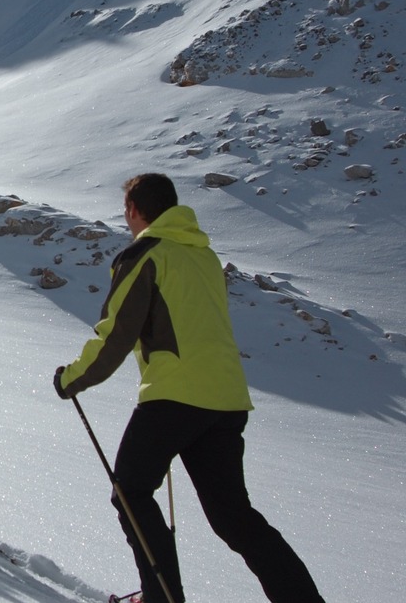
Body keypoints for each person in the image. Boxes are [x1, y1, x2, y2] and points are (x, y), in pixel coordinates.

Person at [53, 173, 325, 603]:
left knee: (131, 491)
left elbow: (116, 334)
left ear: (134, 210)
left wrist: (72, 378)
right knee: (233, 517)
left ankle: (162, 597)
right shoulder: (204, 257)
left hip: (175, 397)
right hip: (226, 399)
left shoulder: (146, 254)